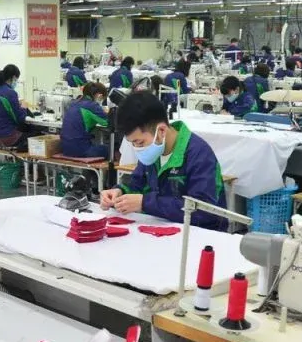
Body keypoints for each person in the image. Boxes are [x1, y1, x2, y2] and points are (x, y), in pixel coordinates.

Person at [101, 92, 226, 230]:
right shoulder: (153, 150)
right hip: (160, 227)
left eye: (140, 142)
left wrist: (145, 203)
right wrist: (119, 193)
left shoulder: (199, 155)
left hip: (199, 236)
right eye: (133, 144)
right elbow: (136, 184)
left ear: (161, 131)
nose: (137, 149)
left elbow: (205, 211)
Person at [0, 63, 34, 149]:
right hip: (7, 138)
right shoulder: (11, 93)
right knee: (39, 136)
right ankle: (30, 162)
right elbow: (20, 119)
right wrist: (23, 107)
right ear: (14, 77)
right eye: (16, 79)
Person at [59, 81, 111, 158]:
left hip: (65, 148)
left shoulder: (73, 103)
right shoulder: (92, 105)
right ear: (99, 95)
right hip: (80, 150)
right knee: (112, 150)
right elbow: (107, 122)